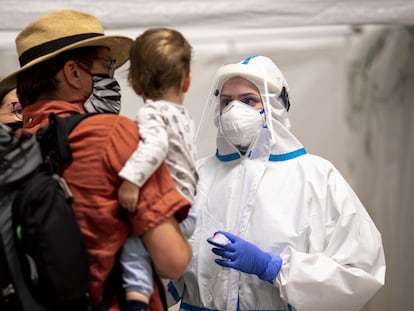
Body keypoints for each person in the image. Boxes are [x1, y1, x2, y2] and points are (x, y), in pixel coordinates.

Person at [1, 9, 192, 311]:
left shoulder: (13, 145)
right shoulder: (113, 134)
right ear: (73, 73)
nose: (111, 78)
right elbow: (172, 260)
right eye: (107, 66)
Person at [167, 56, 386, 311]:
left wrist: (274, 269)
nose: (234, 111)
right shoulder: (196, 176)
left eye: (249, 100)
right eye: (226, 102)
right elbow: (161, 262)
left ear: (275, 106)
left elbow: (360, 271)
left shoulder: (317, 177)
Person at [83, 27, 198, 311]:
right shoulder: (184, 117)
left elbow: (155, 146)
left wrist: (131, 181)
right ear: (187, 80)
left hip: (171, 207)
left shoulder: (151, 113)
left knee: (133, 249)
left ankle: (135, 303)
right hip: (189, 208)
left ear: (134, 84)